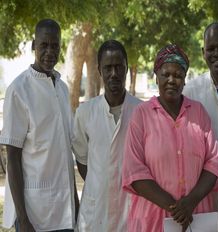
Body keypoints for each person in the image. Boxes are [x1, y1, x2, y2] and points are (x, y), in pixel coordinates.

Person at [122, 44, 218, 232]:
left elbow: (213, 163)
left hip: (196, 217)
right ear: (156, 77)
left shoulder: (198, 112)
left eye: (177, 75)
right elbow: (134, 171)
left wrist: (190, 202)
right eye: (165, 74)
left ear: (184, 80)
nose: (171, 80)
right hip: (153, 220)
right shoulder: (141, 115)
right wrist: (177, 209)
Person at [0, 19, 78, 231]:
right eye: (44, 45)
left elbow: (65, 151)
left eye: (55, 46)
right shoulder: (19, 90)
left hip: (65, 211)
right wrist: (23, 220)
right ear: (34, 45)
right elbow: (13, 157)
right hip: (35, 214)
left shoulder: (62, 88)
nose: (49, 52)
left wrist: (76, 204)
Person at [72, 40, 142, 231]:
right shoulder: (85, 112)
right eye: (108, 68)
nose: (114, 74)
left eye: (119, 67)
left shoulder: (142, 111)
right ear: (99, 70)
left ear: (126, 68)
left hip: (130, 212)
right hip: (95, 214)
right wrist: (102, 182)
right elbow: (82, 161)